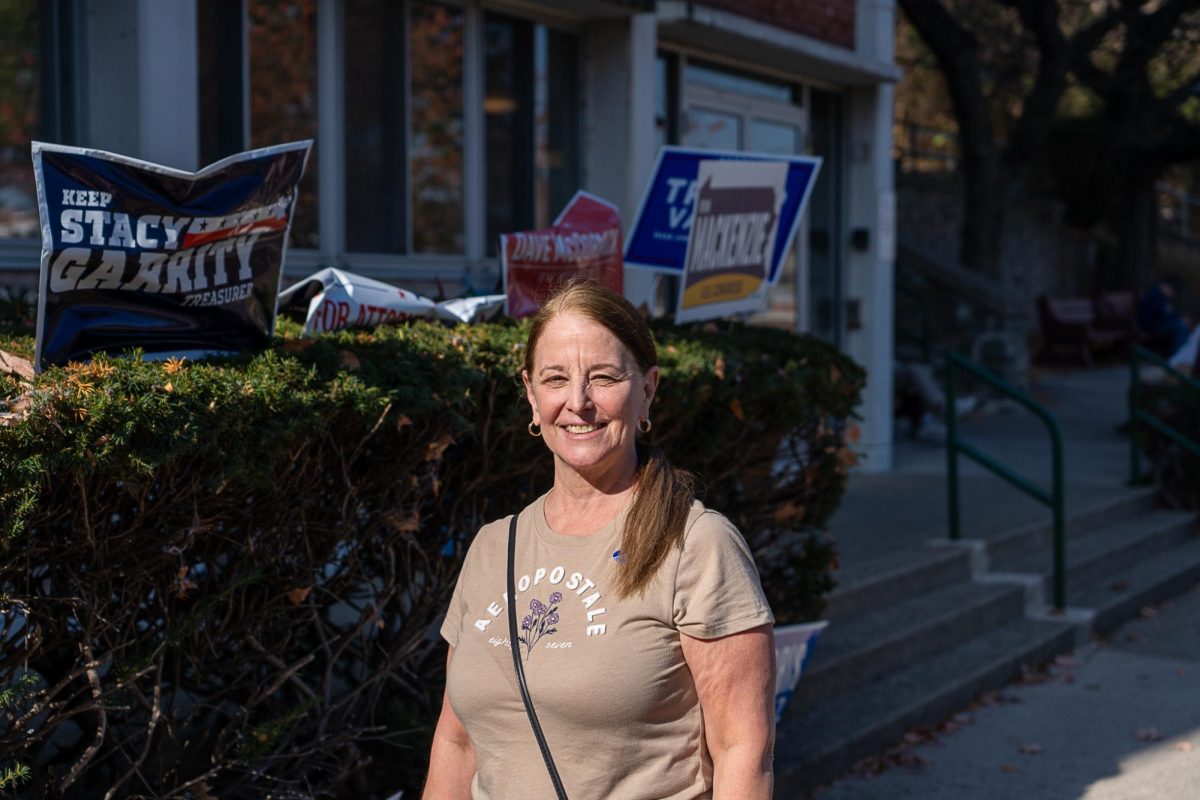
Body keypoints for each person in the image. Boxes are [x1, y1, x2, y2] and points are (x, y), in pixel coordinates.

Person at [422, 281, 776, 800]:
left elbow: (743, 750)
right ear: (530, 392)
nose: (578, 403)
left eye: (604, 378)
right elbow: (456, 744)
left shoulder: (697, 544)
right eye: (556, 379)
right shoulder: (494, 547)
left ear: (648, 389)